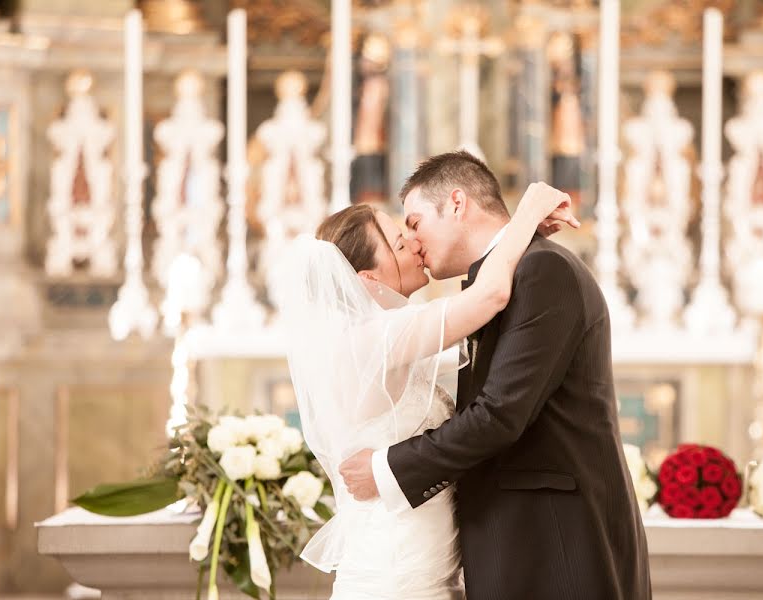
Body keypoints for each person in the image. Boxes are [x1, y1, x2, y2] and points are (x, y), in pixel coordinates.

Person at [339, 151, 652, 600]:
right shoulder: (501, 279)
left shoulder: (541, 269)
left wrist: (387, 469)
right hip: (516, 545)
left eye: (414, 221)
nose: (410, 240)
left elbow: (500, 414)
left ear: (457, 203)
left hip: (556, 548)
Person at [273, 171, 577, 600]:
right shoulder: (371, 340)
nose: (415, 244)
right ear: (368, 280)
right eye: (399, 243)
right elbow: (489, 297)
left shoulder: (390, 339)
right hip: (394, 574)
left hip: (429, 566)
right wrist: (525, 214)